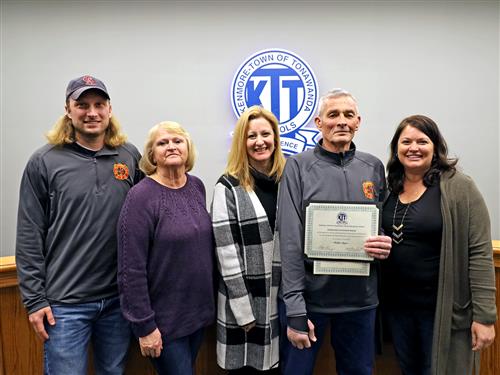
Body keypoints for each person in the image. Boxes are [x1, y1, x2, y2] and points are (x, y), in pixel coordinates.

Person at [16, 75, 143, 374]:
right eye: (82, 105)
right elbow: (29, 234)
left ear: (110, 110)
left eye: (99, 104)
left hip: (118, 301)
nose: (92, 112)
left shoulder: (129, 155)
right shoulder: (44, 161)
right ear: (68, 110)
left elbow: (146, 219)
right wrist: (34, 300)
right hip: (65, 306)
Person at [277, 89, 392, 375]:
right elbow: (290, 240)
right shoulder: (297, 167)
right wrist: (295, 308)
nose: (341, 121)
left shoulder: (374, 167)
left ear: (358, 122)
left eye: (348, 115)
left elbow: (384, 226)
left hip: (360, 302)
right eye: (333, 115)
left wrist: (386, 244)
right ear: (318, 122)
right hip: (310, 301)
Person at [381, 114, 496, 375]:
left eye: (422, 141)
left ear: (435, 148)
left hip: (442, 311)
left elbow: (479, 252)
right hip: (398, 311)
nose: (413, 148)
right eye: (406, 141)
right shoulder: (389, 188)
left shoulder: (459, 188)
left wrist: (485, 317)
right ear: (396, 148)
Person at [117, 121, 215, 375]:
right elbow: (131, 268)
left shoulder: (197, 186)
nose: (171, 146)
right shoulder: (140, 197)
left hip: (196, 316)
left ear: (187, 148)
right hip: (163, 324)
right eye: (162, 143)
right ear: (152, 154)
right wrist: (145, 326)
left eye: (177, 141)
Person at [211, 105, 286, 374]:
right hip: (244, 303)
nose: (259, 142)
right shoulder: (228, 185)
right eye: (251, 136)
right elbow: (225, 251)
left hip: (281, 299)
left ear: (275, 138)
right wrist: (243, 309)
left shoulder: (288, 180)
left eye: (265, 134)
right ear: (241, 142)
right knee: (245, 368)